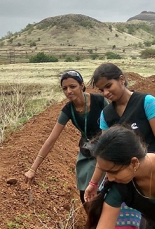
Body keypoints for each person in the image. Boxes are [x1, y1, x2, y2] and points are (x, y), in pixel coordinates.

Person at [83, 63, 155, 229]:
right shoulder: (106, 114)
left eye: (109, 86)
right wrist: (94, 183)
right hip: (122, 181)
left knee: (150, 228)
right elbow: (104, 154)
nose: (106, 93)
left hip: (148, 178)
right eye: (101, 90)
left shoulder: (147, 103)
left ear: (122, 79)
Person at [24, 70, 109, 204]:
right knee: (84, 195)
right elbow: (51, 139)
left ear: (82, 85)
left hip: (107, 147)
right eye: (65, 88)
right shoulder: (68, 110)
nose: (68, 91)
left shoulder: (100, 101)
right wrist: (32, 169)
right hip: (87, 150)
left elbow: (115, 124)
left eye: (72, 86)